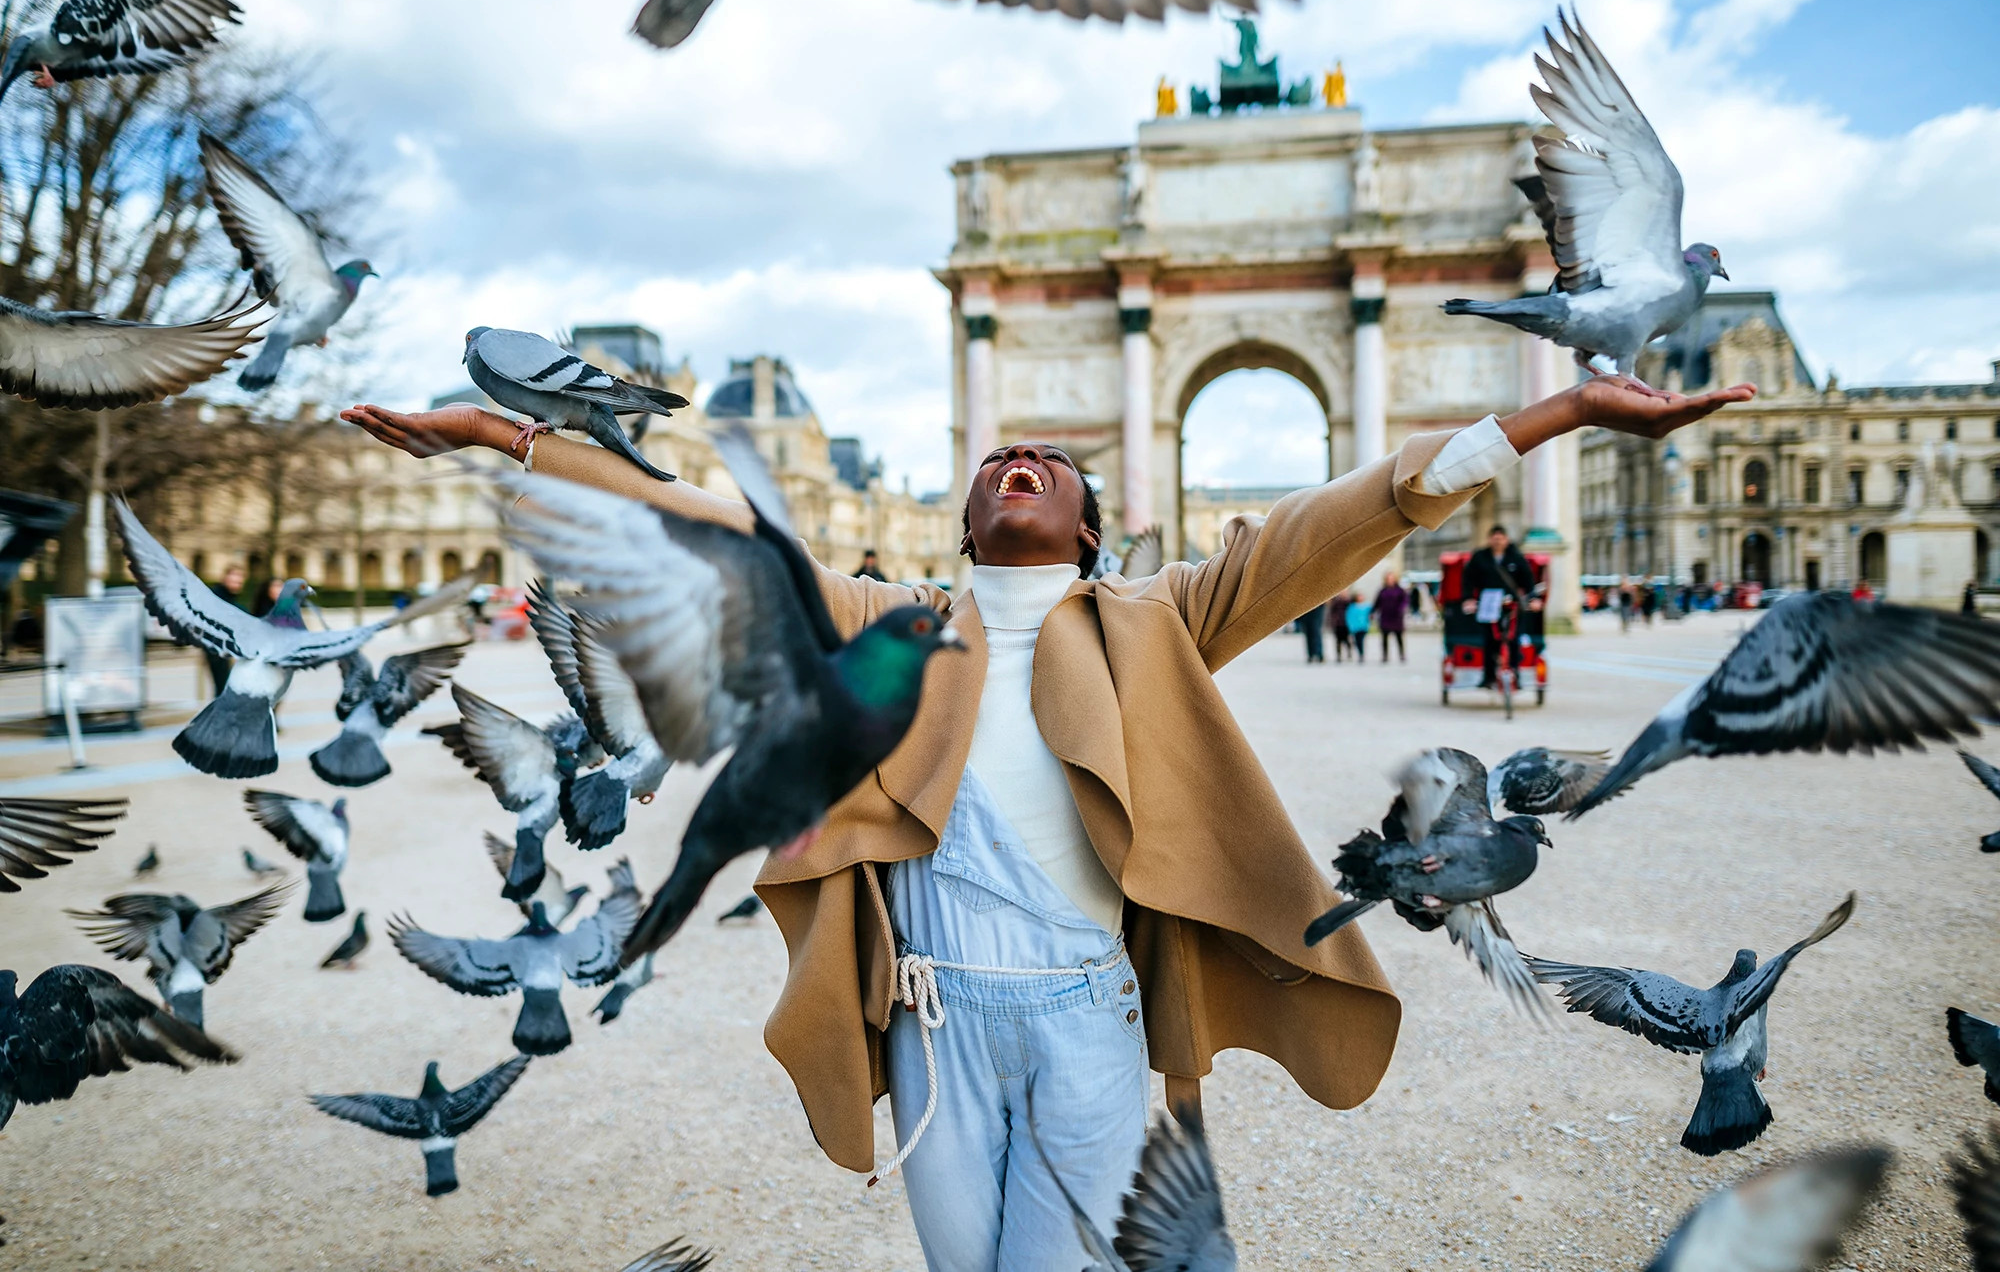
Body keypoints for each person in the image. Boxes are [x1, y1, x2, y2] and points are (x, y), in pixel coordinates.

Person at [340, 368, 1749, 1272]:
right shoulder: (879, 616)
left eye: (1048, 459)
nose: (1018, 455)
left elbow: (1332, 523)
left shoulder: (1159, 612)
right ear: (963, 518)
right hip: (930, 1017)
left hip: (1087, 1016)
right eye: (996, 453)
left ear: (1084, 528)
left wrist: (1549, 416)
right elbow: (690, 516)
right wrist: (509, 440)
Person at [1463, 526, 1536, 688]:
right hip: (1488, 603)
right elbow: (1468, 579)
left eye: (1501, 538)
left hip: (1511, 605)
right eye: (1494, 538)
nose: (1497, 541)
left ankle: (1515, 673)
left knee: (1514, 639)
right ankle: (1488, 676)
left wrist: (1533, 598)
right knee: (1489, 640)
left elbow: (1528, 579)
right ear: (1490, 539)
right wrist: (1468, 599)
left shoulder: (1516, 557)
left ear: (1506, 539)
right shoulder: (1480, 557)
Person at [205, 564, 247, 696]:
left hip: (223, 647)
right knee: (223, 686)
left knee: (225, 686)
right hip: (217, 648)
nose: (237, 584)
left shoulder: (230, 598)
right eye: (234, 580)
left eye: (239, 582)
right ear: (225, 578)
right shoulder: (217, 596)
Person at [1374, 571, 1409, 662]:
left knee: (1399, 637)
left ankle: (1402, 655)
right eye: (1388, 579)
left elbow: (1404, 601)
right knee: (1384, 638)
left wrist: (1401, 609)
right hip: (1385, 616)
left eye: (1391, 578)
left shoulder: (1400, 590)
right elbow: (1377, 603)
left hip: (1396, 617)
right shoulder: (1382, 590)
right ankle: (1385, 656)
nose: (1390, 580)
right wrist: (1372, 612)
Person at [1344, 593, 1371, 665]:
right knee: (1357, 641)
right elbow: (1349, 617)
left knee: (1361, 641)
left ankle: (1361, 654)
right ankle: (1360, 653)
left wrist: (1368, 624)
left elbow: (1370, 616)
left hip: (1363, 627)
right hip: (1355, 627)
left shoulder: (1367, 606)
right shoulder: (1352, 607)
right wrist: (1350, 627)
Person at [1328, 589, 1353, 661]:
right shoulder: (1336, 601)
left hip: (1347, 624)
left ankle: (1349, 653)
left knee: (1347, 640)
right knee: (1338, 641)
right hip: (1338, 623)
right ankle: (1339, 656)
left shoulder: (1349, 601)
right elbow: (1332, 611)